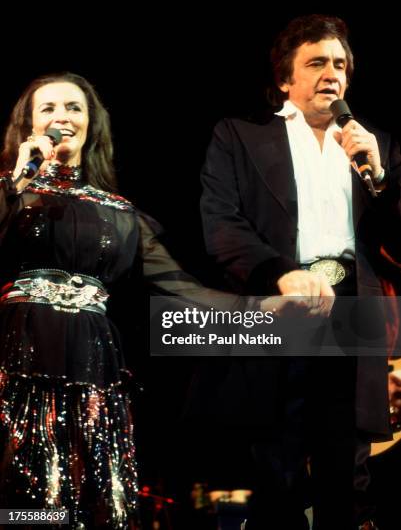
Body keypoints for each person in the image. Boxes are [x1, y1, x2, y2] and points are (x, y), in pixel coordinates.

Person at [0, 72, 299, 529]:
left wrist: (257, 310)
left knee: (84, 487)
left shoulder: (118, 211)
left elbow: (180, 288)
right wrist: (17, 180)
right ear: (28, 125)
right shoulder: (12, 192)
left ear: (91, 124)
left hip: (91, 360)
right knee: (22, 487)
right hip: (18, 352)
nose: (62, 117)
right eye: (49, 109)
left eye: (74, 108)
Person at [199, 15, 401, 530]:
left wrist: (380, 177)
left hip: (353, 309)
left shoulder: (375, 145)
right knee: (275, 463)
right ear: (286, 78)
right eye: (316, 63)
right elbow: (222, 224)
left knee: (347, 467)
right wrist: (278, 272)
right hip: (280, 305)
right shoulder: (240, 136)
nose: (331, 73)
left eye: (339, 64)